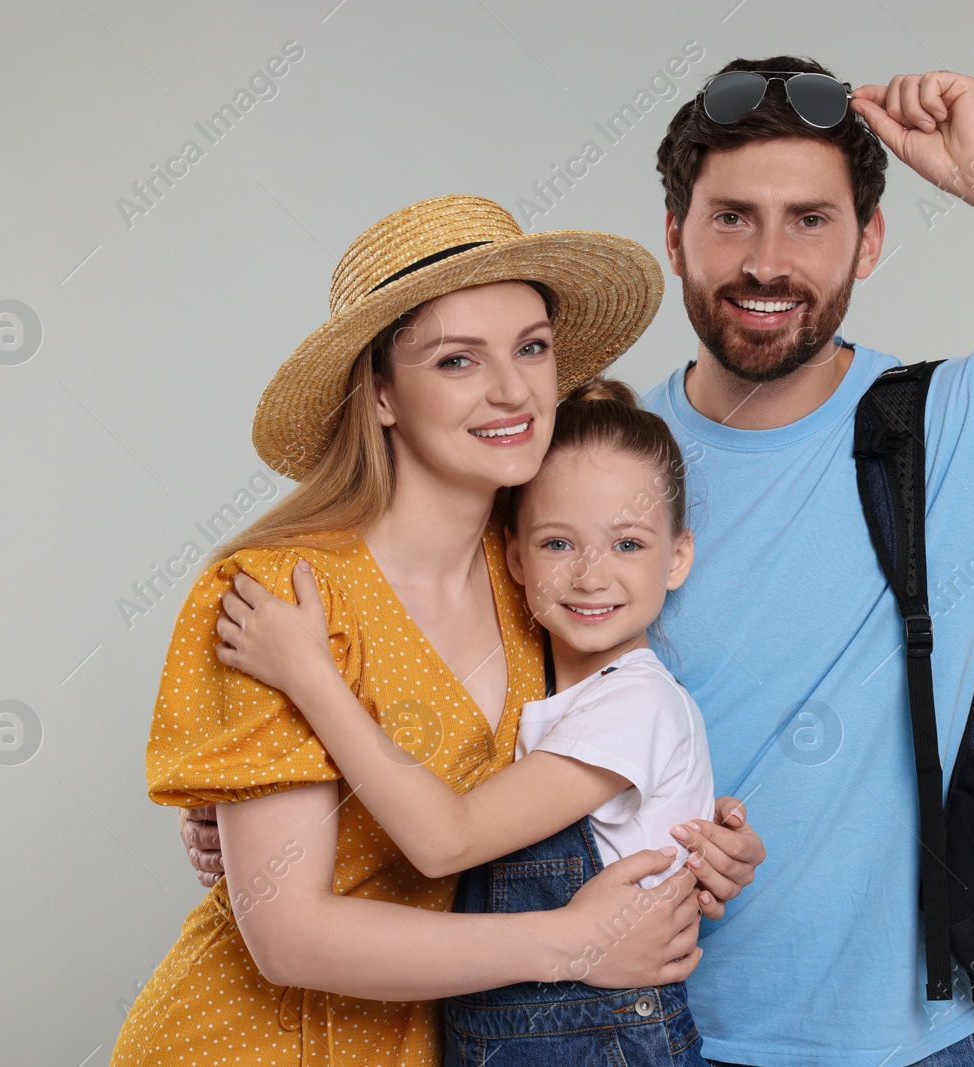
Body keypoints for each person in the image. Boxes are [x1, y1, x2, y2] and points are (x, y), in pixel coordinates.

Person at [184, 54, 974, 1066]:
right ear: (674, 236)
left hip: (900, 1042)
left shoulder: (961, 428)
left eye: (810, 220)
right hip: (619, 1026)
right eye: (730, 220)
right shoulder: (581, 461)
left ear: (870, 240)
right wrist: (285, 825)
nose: (766, 261)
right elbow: (466, 694)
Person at [113, 194, 764, 1067]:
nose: (513, 389)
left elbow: (580, 780)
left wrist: (690, 838)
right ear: (380, 391)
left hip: (435, 1045)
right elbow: (290, 936)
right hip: (252, 1043)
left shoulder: (536, 578)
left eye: (531, 347)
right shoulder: (281, 592)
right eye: (458, 359)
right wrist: (566, 943)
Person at [211, 374, 716, 1065]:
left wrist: (310, 677)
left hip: (603, 1043)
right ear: (512, 555)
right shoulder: (541, 687)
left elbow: (445, 839)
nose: (593, 575)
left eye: (628, 544)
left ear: (678, 557)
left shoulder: (638, 706)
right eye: (558, 544)